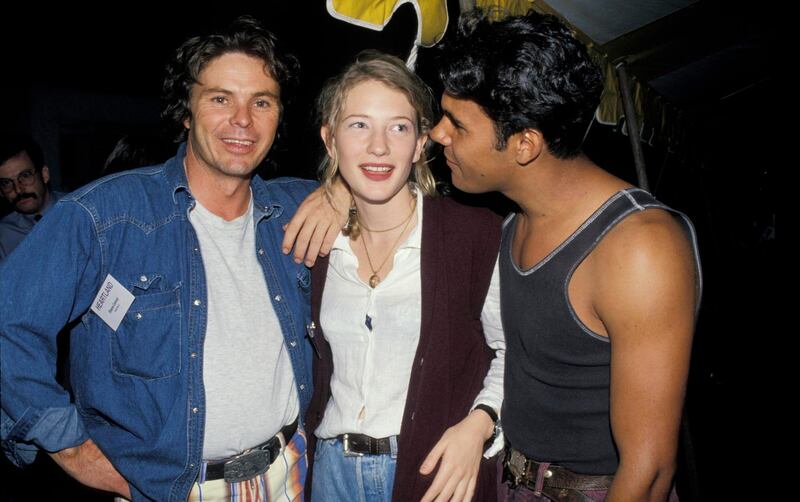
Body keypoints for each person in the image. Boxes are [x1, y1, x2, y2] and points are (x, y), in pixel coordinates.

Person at [0, 16, 339, 502]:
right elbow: (8, 324)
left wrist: (344, 193)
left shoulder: (295, 209)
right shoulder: (104, 217)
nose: (242, 119)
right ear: (186, 110)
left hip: (288, 475)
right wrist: (70, 446)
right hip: (166, 490)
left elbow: (398, 202)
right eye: (220, 98)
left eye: (261, 102)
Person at [429, 10, 702, 501]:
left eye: (458, 125)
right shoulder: (512, 221)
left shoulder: (639, 246)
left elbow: (651, 472)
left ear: (524, 145)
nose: (437, 134)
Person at [302, 51, 505, 502]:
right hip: (331, 472)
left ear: (419, 144)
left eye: (398, 127)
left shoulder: (472, 233)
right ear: (330, 140)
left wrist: (480, 423)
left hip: (433, 472)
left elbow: (513, 350)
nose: (379, 146)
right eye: (358, 125)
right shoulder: (312, 245)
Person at [0, 133, 65, 260]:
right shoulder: (3, 235)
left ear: (44, 175)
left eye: (25, 175)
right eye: (6, 183)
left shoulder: (79, 212)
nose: (18, 189)